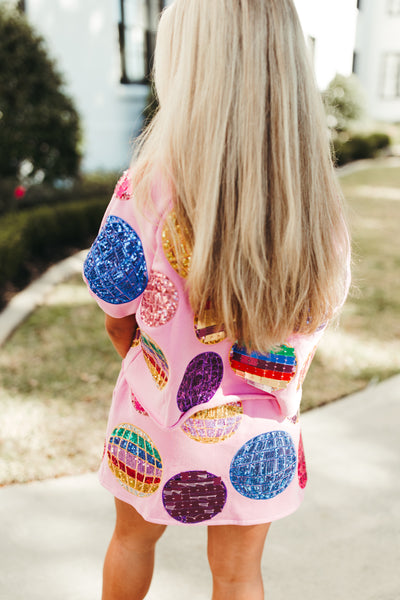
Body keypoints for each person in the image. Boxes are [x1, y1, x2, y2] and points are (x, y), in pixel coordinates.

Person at [83, 1, 350, 598]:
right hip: (260, 431)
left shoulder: (149, 184)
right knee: (238, 575)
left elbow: (115, 316)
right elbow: (319, 312)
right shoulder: (316, 203)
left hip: (158, 413)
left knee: (130, 541)